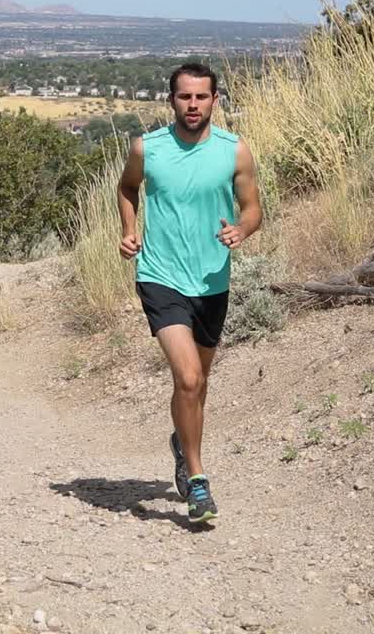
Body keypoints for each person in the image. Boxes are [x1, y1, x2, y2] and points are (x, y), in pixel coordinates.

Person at [117, 62, 262, 523]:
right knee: (188, 380)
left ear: (215, 100)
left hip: (212, 281)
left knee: (199, 385)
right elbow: (126, 188)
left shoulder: (234, 150)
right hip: (160, 275)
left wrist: (242, 230)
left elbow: (253, 207)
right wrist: (128, 230)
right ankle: (198, 482)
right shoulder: (148, 148)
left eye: (201, 97)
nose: (193, 105)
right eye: (185, 97)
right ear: (172, 100)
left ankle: (183, 441)